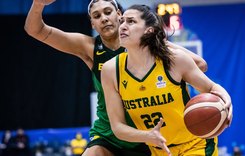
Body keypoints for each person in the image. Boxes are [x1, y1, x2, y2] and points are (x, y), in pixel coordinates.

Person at [24, 0, 207, 155]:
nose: (103, 18)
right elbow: (35, 30)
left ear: (119, 15)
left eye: (107, 12)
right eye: (96, 16)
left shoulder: (147, 43)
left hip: (147, 133)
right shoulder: (89, 48)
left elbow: (199, 64)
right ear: (92, 24)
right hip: (109, 133)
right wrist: (38, 4)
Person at [101, 4, 233, 156]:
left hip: (194, 145)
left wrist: (226, 100)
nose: (122, 26)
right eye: (122, 21)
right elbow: (117, 127)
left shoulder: (173, 60)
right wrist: (147, 136)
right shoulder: (111, 70)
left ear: (148, 30)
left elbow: (211, 87)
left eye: (131, 21)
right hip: (159, 150)